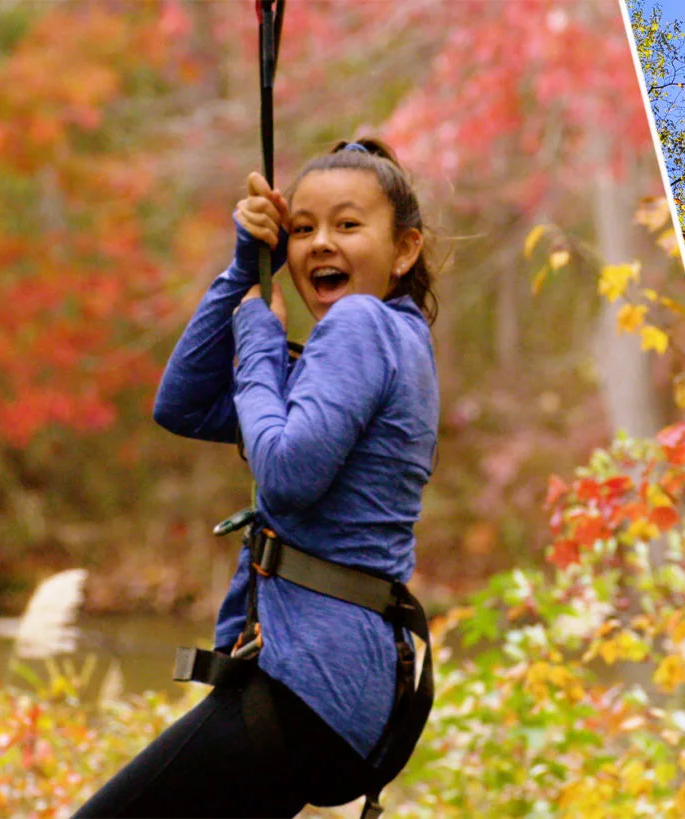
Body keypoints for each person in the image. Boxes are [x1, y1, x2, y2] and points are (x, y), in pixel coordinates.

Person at [77, 138, 439, 818]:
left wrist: (260, 342)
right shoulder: (390, 343)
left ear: (405, 249)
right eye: (301, 229)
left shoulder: (360, 325)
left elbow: (287, 472)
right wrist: (246, 262)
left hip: (309, 686)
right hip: (342, 694)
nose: (320, 244)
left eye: (348, 224)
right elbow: (182, 404)